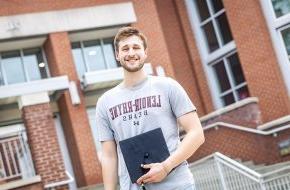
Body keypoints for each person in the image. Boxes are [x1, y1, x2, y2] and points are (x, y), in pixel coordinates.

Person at [96, 26, 205, 190]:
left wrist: (166, 166)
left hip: (176, 186)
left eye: (136, 47)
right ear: (117, 55)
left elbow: (196, 133)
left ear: (145, 52)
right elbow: (109, 156)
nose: (131, 53)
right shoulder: (105, 102)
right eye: (125, 49)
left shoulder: (168, 86)